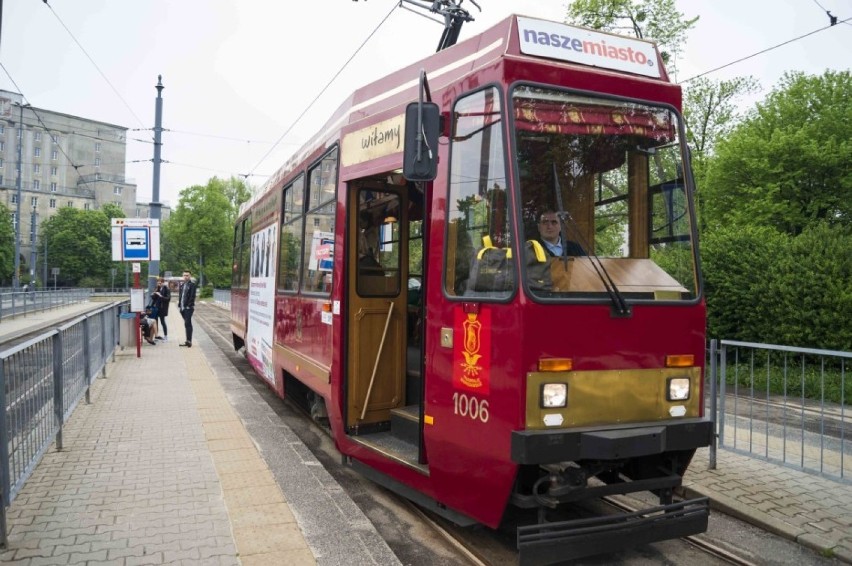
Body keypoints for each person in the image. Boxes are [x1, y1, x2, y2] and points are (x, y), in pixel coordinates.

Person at [178, 269, 198, 348]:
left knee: (187, 323)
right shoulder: (182, 285)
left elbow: (192, 296)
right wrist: (180, 305)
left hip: (188, 308)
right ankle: (187, 340)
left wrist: (188, 305)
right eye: (184, 275)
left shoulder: (192, 285)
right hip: (182, 308)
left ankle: (189, 341)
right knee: (187, 324)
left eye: (187, 275)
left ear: (190, 276)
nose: (185, 277)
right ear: (182, 276)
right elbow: (181, 296)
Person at [152, 277, 171, 341]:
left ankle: (166, 336)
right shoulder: (157, 288)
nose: (159, 284)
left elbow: (168, 299)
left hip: (162, 308)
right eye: (158, 283)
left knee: (163, 322)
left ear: (163, 282)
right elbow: (153, 298)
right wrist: (155, 292)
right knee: (155, 322)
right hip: (156, 308)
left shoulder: (166, 289)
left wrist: (160, 295)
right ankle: (156, 336)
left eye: (160, 283)